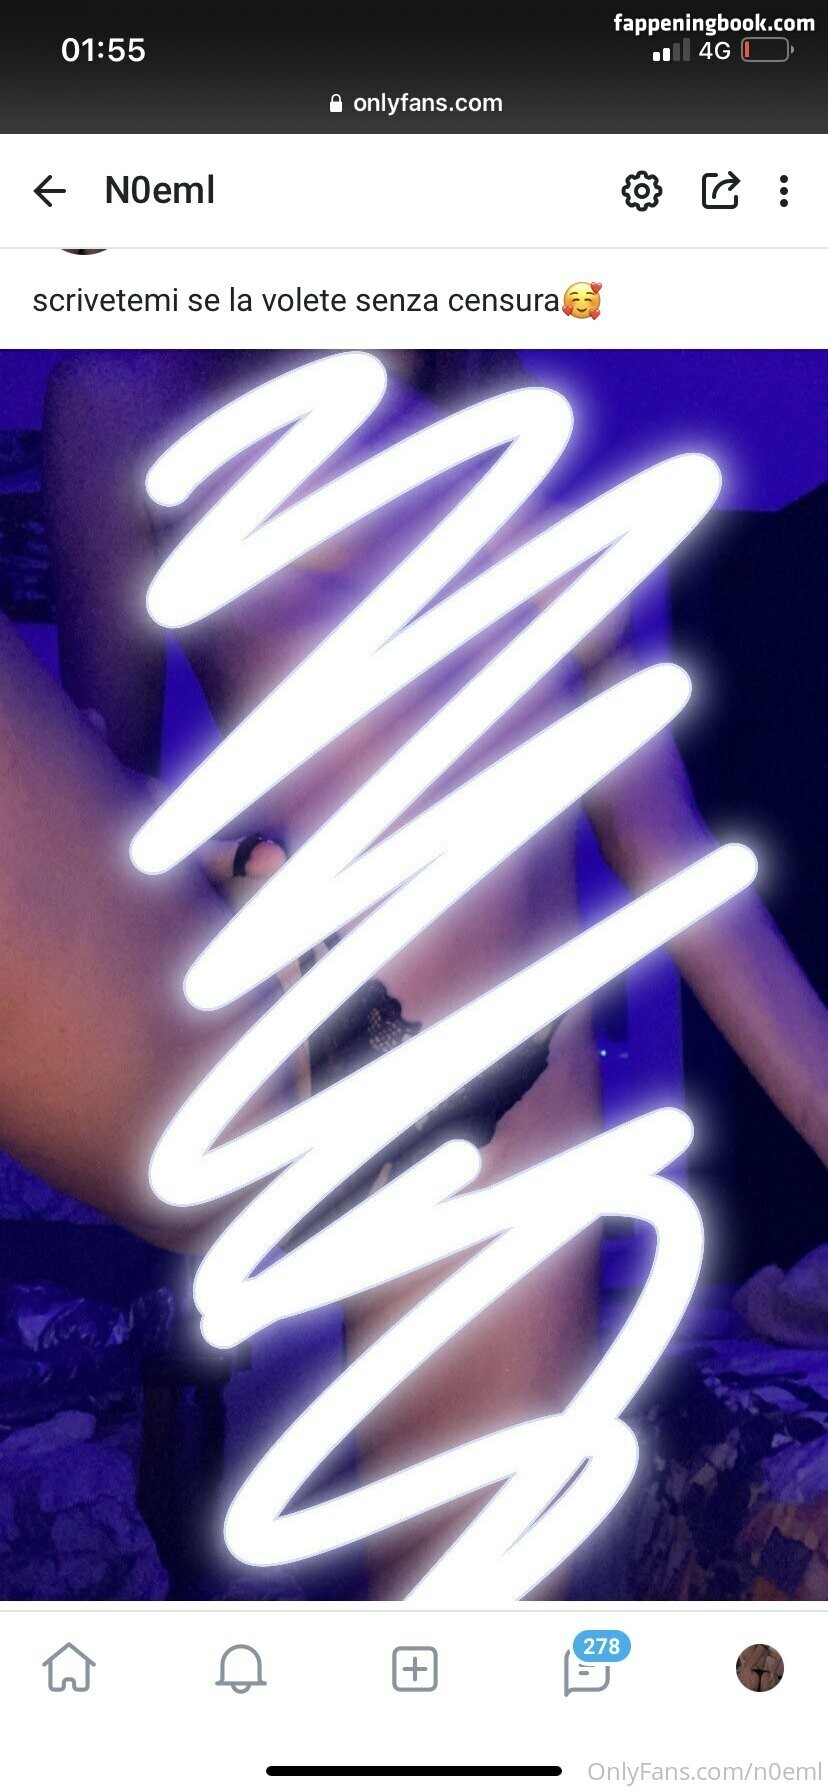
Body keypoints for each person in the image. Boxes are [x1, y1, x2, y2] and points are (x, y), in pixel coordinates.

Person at [0, 345, 816, 1598]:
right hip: (283, 1022)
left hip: (516, 1104)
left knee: (457, 1656)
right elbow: (108, 778)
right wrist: (220, 858)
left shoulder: (546, 475)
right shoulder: (133, 390)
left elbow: (674, 856)